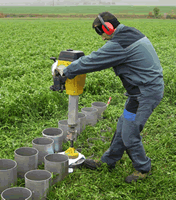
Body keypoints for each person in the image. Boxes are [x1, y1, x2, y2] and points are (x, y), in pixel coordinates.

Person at [60, 11, 164, 183]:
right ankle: (108, 161)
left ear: (108, 28)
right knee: (123, 126)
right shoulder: (130, 33)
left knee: (130, 134)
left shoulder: (120, 43)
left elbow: (94, 60)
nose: (102, 39)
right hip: (137, 93)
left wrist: (66, 70)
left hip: (146, 93)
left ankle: (143, 169)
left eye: (102, 34)